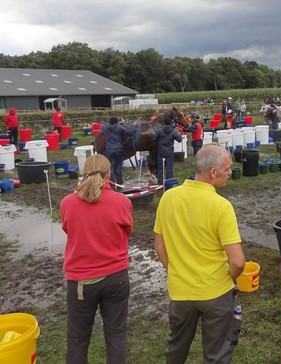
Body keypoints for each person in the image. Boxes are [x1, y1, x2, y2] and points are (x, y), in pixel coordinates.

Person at [154, 144, 246, 363]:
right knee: (217, 353)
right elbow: (238, 262)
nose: (230, 172)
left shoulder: (168, 198)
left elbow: (159, 246)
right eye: (228, 168)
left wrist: (175, 270)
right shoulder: (221, 206)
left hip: (180, 292)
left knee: (176, 347)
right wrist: (231, 275)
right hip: (216, 292)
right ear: (213, 173)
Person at [60, 154, 133, 364]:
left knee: (78, 339)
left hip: (81, 283)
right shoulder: (122, 202)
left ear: (84, 174)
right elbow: (126, 231)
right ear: (109, 174)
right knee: (116, 335)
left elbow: (69, 230)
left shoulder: (68, 203)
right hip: (116, 279)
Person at [100, 116, 136, 188]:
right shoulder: (119, 128)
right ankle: (119, 183)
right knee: (118, 166)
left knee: (111, 167)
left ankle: (112, 185)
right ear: (117, 122)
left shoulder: (106, 128)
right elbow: (129, 132)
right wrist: (133, 126)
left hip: (109, 149)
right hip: (118, 149)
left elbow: (102, 126)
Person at [153, 117, 183, 184]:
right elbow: (180, 140)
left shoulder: (159, 130)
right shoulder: (173, 131)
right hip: (169, 152)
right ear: (170, 123)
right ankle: (169, 183)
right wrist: (180, 133)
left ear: (163, 123)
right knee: (169, 169)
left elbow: (154, 138)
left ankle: (160, 183)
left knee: (160, 169)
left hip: (160, 152)